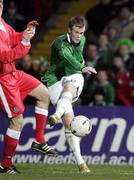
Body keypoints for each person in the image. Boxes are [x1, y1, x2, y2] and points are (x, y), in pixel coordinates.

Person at [0, 0, 57, 174]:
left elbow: (12, 38)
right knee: (17, 121)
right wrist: (25, 43)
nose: (0, 7)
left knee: (44, 95)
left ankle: (39, 140)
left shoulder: (2, 24)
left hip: (14, 74)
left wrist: (24, 34)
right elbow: (4, 57)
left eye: (0, 3)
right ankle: (6, 165)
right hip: (2, 80)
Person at [42, 16, 97, 173]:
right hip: (54, 79)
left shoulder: (83, 40)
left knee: (69, 90)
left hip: (73, 75)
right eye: (76, 32)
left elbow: (76, 60)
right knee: (69, 122)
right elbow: (68, 58)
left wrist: (80, 69)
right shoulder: (59, 43)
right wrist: (83, 67)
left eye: (81, 32)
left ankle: (81, 164)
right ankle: (81, 164)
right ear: (69, 30)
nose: (79, 35)